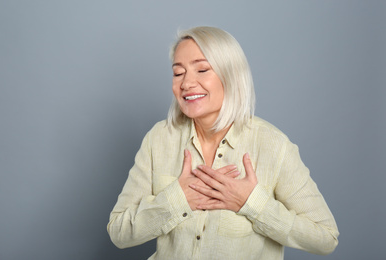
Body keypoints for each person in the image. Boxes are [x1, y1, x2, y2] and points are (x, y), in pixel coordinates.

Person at [107, 26, 339, 259]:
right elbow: (118, 232)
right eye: (178, 73)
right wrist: (177, 199)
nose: (187, 83)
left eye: (202, 69)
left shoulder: (274, 146)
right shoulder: (158, 139)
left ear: (231, 75)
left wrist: (252, 203)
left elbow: (325, 238)